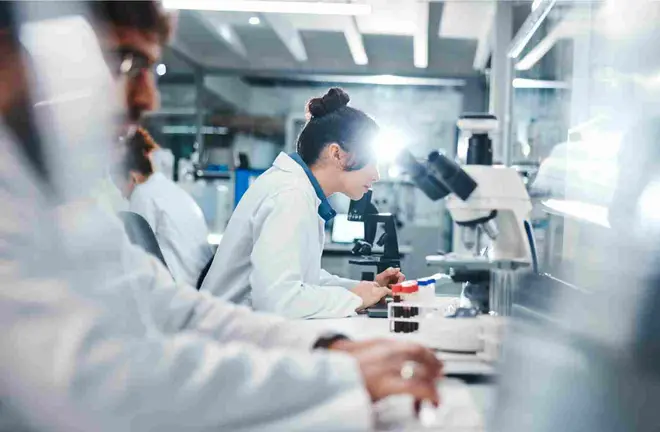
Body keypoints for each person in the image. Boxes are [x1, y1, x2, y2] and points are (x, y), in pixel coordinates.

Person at [0, 2, 441, 430]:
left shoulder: (58, 205)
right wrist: (338, 371)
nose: (148, 96)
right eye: (124, 62)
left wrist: (333, 348)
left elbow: (179, 312)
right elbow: (101, 386)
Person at [201, 88, 405, 319]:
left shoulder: (299, 189)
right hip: (227, 336)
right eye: (372, 162)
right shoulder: (290, 194)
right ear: (337, 154)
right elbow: (277, 301)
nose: (377, 175)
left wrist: (362, 289)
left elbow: (304, 279)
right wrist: (356, 299)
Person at [114, 126, 214, 286]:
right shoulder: (167, 189)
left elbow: (134, 253)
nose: (121, 195)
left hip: (181, 285)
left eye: (120, 188)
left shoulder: (143, 194)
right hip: (199, 283)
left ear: (132, 177)